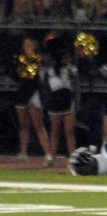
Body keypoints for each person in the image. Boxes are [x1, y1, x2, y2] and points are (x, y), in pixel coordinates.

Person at [12, 36, 51, 166]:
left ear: (34, 45)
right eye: (25, 44)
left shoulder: (39, 59)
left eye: (29, 44)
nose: (27, 46)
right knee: (23, 125)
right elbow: (16, 76)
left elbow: (40, 78)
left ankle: (47, 154)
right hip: (22, 93)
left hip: (33, 93)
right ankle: (23, 153)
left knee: (38, 125)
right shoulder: (20, 59)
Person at [43, 35, 78, 166]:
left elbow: (75, 78)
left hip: (67, 98)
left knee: (69, 132)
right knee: (54, 132)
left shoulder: (68, 67)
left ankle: (73, 159)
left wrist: (67, 64)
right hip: (55, 99)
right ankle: (51, 157)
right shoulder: (49, 67)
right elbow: (46, 83)